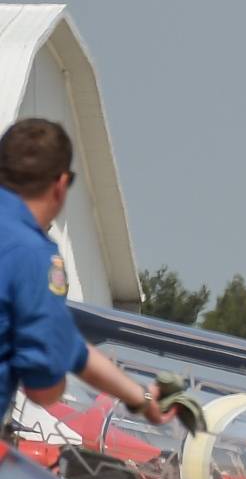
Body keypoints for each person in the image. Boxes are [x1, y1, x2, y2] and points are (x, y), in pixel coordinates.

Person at [0, 120, 166, 429]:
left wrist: (139, 397)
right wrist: (55, 375)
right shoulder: (34, 256)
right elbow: (42, 388)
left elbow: (69, 345)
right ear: (61, 185)